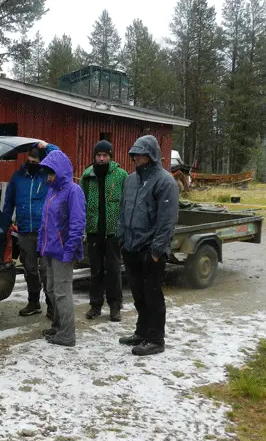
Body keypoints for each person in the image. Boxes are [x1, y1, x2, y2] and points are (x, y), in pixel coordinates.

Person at [117, 135, 179, 356]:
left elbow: (167, 221)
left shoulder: (165, 181)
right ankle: (141, 332)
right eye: (134, 154)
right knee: (138, 295)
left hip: (150, 250)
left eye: (141, 154)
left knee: (153, 297)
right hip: (131, 247)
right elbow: (124, 211)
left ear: (151, 155)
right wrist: (122, 238)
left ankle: (155, 340)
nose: (136, 158)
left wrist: (156, 251)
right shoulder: (131, 180)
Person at [37, 146, 86, 347]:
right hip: (50, 250)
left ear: (59, 171)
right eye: (47, 173)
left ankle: (67, 334)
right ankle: (58, 326)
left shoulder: (73, 191)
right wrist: (41, 245)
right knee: (51, 290)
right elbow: (45, 222)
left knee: (62, 292)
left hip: (63, 252)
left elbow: (77, 223)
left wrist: (70, 250)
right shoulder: (52, 191)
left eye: (51, 172)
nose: (48, 177)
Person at [0, 142, 56, 318]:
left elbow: (59, 157)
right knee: (30, 269)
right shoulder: (17, 178)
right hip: (25, 231)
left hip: (45, 231)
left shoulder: (48, 175)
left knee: (47, 271)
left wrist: (47, 145)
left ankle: (51, 304)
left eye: (36, 159)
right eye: (30, 158)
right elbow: (8, 203)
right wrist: (4, 225)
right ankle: (33, 302)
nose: (33, 161)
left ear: (42, 160)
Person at [80, 140, 129, 322]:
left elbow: (127, 204)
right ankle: (95, 305)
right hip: (94, 231)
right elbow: (82, 202)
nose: (101, 158)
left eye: (105, 155)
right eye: (98, 155)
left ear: (110, 157)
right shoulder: (87, 176)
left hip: (113, 232)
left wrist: (124, 229)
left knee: (113, 270)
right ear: (94, 157)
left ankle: (115, 307)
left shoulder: (121, 176)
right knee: (95, 270)